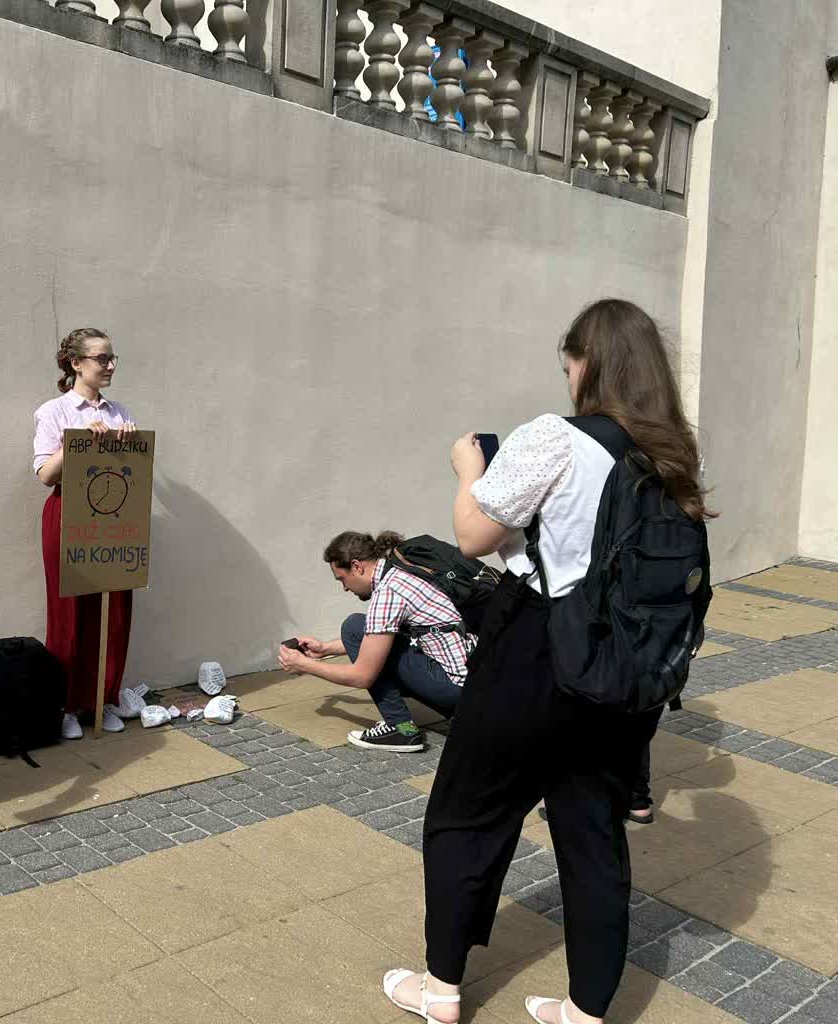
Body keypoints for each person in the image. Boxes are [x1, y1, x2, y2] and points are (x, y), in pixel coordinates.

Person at [381, 299, 713, 1024]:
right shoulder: (670, 455)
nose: (566, 377)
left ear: (587, 363)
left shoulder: (554, 438)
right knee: (592, 834)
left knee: (468, 812)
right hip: (620, 664)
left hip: (537, 643)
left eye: (568, 364)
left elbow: (473, 536)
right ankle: (585, 1009)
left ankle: (440, 988)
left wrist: (467, 469)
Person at [33, 328, 140, 740]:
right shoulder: (53, 412)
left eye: (112, 358)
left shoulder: (119, 412)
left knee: (114, 610)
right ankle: (65, 705)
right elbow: (45, 474)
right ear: (76, 363)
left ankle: (102, 698)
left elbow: (130, 469)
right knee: (69, 613)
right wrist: (76, 443)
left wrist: (126, 443)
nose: (110, 366)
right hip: (68, 513)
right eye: (101, 358)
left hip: (114, 515)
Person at [277, 531, 469, 752]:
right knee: (357, 629)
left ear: (356, 566)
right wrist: (324, 648)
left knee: (353, 626)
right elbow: (378, 640)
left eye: (342, 579)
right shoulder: (402, 572)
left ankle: (401, 729)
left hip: (455, 690)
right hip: (473, 685)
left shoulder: (388, 593)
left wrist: (304, 665)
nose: (344, 588)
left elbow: (362, 676)